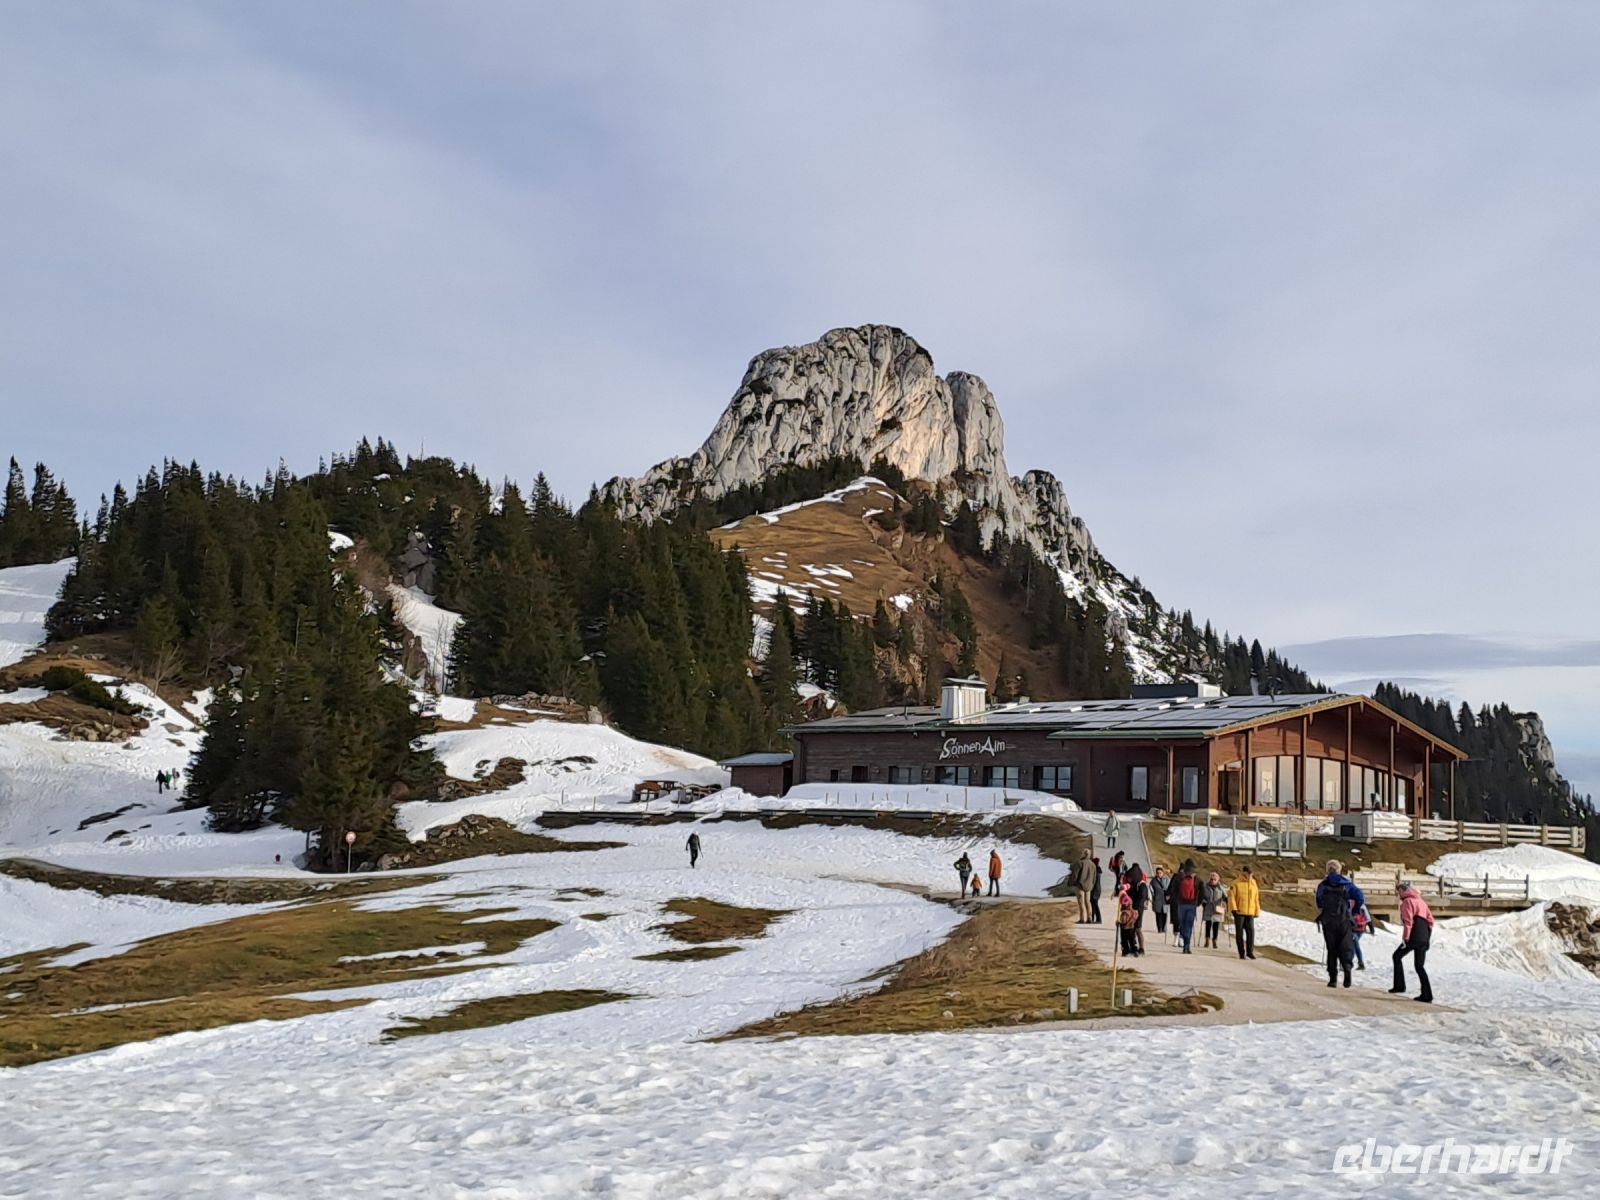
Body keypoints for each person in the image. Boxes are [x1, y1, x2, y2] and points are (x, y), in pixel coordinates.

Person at [1314, 859, 1366, 989]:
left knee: (1332, 949)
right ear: (1339, 870)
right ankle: (1347, 970)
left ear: (1327, 870)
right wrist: (1354, 910)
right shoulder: (1347, 884)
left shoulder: (1323, 885)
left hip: (1328, 921)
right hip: (1344, 920)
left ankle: (1333, 979)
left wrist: (1323, 909)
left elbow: (1319, 900)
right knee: (1345, 946)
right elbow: (1360, 896)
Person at [1391, 881, 1435, 1003]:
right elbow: (1431, 921)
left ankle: (1399, 986)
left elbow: (1408, 921)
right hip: (1424, 936)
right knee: (1419, 966)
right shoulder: (1422, 902)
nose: (1397, 894)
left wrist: (1406, 938)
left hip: (1413, 936)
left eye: (1398, 891)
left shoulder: (1407, 902)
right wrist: (1427, 936)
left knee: (1396, 956)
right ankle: (1427, 994)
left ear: (1403, 891)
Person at [1227, 866, 1260, 960]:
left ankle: (1250, 951)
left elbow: (1256, 898)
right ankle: (1241, 952)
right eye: (1248, 873)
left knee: (1251, 932)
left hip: (1250, 912)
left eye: (1251, 874)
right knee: (1239, 932)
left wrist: (1257, 910)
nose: (1249, 875)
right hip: (1239, 911)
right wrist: (1234, 909)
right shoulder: (1236, 883)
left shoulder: (1254, 883)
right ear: (1243, 873)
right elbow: (1231, 896)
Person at [1170, 859, 1202, 953]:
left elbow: (1173, 890)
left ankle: (1184, 939)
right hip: (1192, 904)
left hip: (1181, 904)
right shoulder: (1197, 878)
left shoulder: (1179, 877)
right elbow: (1203, 891)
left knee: (1182, 924)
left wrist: (1177, 900)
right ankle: (1186, 945)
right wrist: (1198, 902)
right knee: (1189, 925)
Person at [1125, 863, 1148, 955]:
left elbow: (1142, 899)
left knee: (1138, 928)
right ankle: (1132, 946)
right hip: (1132, 908)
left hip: (1138, 909)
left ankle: (1142, 948)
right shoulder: (1134, 884)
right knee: (1131, 928)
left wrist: (1136, 909)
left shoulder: (1142, 886)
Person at [1201, 871, 1228, 949]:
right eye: (1212, 879)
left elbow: (1225, 896)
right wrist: (1203, 903)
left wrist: (1226, 901)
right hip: (1208, 906)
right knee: (1208, 924)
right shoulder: (1205, 886)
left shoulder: (1221, 887)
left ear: (1217, 880)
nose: (1213, 880)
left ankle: (1215, 940)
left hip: (1218, 907)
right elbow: (1202, 896)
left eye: (1214, 879)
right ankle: (1207, 940)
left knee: (1216, 925)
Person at [1072, 849, 1096, 922]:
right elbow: (1094, 877)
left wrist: (1073, 883)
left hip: (1080, 886)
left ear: (1083, 854)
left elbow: (1075, 875)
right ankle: (1089, 918)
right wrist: (1092, 885)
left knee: (1081, 902)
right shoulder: (1093, 864)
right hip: (1088, 886)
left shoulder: (1079, 863)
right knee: (1088, 902)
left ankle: (1082, 918)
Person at [1351, 896, 1372, 970]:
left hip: (1353, 928)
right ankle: (1360, 963)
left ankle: (1351, 962)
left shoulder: (1351, 903)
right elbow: (1367, 917)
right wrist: (1370, 927)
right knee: (1354, 944)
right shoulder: (1362, 905)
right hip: (1361, 928)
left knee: (1354, 945)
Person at [1117, 885, 1139, 957]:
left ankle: (1131, 950)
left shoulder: (1125, 897)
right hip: (1128, 922)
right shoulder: (1124, 896)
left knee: (1128, 937)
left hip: (1127, 922)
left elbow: (1125, 904)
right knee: (1128, 938)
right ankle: (1128, 950)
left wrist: (1120, 922)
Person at [1150, 866, 1170, 935]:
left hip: (1166, 900)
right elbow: (1151, 888)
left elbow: (1168, 888)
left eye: (1160, 873)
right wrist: (1153, 895)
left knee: (1165, 914)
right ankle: (1159, 928)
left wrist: (1169, 896)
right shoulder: (1153, 880)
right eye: (1157, 873)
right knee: (1158, 914)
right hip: (1157, 899)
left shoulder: (1167, 879)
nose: (1159, 874)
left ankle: (1164, 927)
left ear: (1163, 873)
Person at [1089, 855, 1104, 923]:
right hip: (1098, 889)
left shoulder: (1095, 870)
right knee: (1094, 903)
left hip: (1095, 889)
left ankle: (1098, 918)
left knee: (1094, 903)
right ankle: (1093, 918)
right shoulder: (1098, 869)